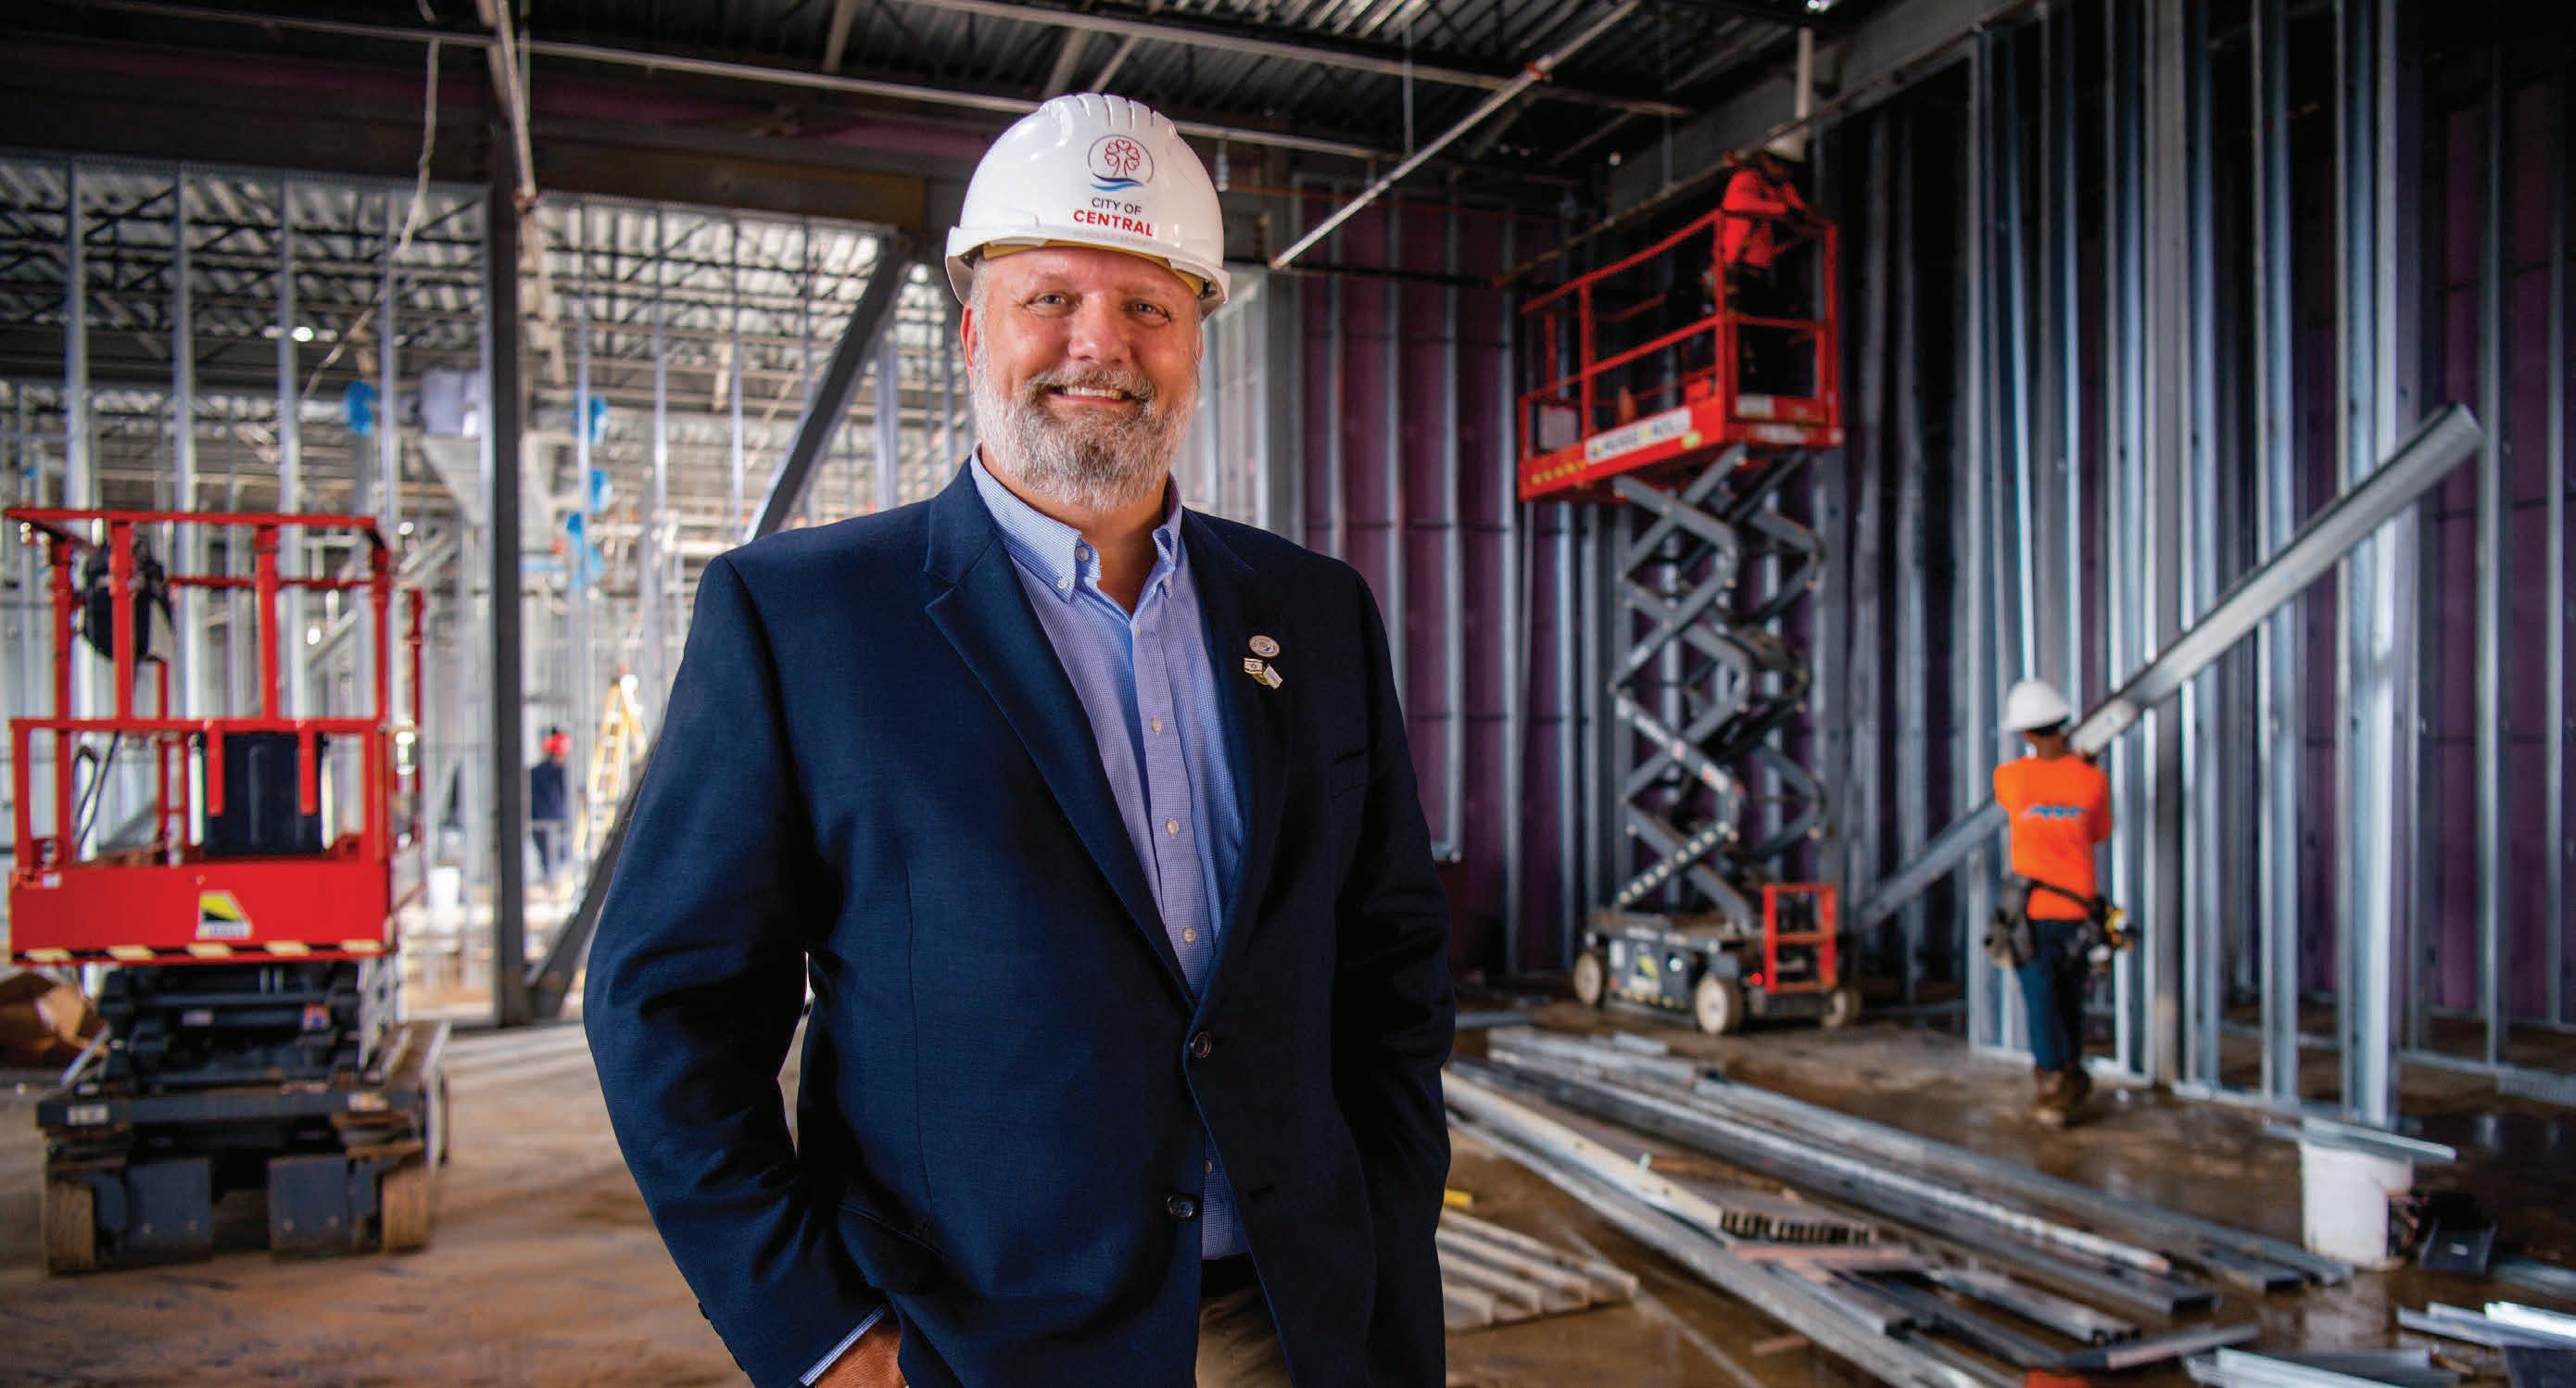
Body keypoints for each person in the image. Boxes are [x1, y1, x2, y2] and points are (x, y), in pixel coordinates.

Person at [585, 93, 1456, 1388]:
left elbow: (1391, 960)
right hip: (976, 1343)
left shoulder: (1315, 613)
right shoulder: (802, 620)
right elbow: (667, 1009)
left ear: (1195, 339)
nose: (1099, 343)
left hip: (1307, 1325)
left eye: (1147, 305)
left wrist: (1384, 1219)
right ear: (971, 327)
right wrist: (819, 1336)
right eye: (1050, 297)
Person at [1992, 678, 2113, 1129]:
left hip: (2034, 913)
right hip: (2079, 912)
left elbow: (2013, 796)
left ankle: (2053, 1087)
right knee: (2070, 996)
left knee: (2041, 999)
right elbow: (2098, 833)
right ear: (2063, 721)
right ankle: (2072, 1073)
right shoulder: (2092, 781)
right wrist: (2079, 770)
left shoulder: (2010, 779)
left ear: (2025, 733)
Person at [1715, 144, 1814, 395]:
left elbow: (1800, 214)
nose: (1784, 172)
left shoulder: (1782, 188)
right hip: (1736, 272)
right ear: (1765, 160)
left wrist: (1804, 216)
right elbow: (1736, 203)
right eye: (1780, 165)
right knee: (1740, 333)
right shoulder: (1747, 179)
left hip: (1757, 275)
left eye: (1789, 167)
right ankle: (1738, 386)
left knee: (1772, 331)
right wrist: (1782, 210)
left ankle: (1768, 386)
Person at [526, 727, 571, 898]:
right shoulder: (559, 772)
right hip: (553, 820)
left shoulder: (535, 772)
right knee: (557, 857)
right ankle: (553, 888)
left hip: (541, 821)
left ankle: (552, 887)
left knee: (551, 858)